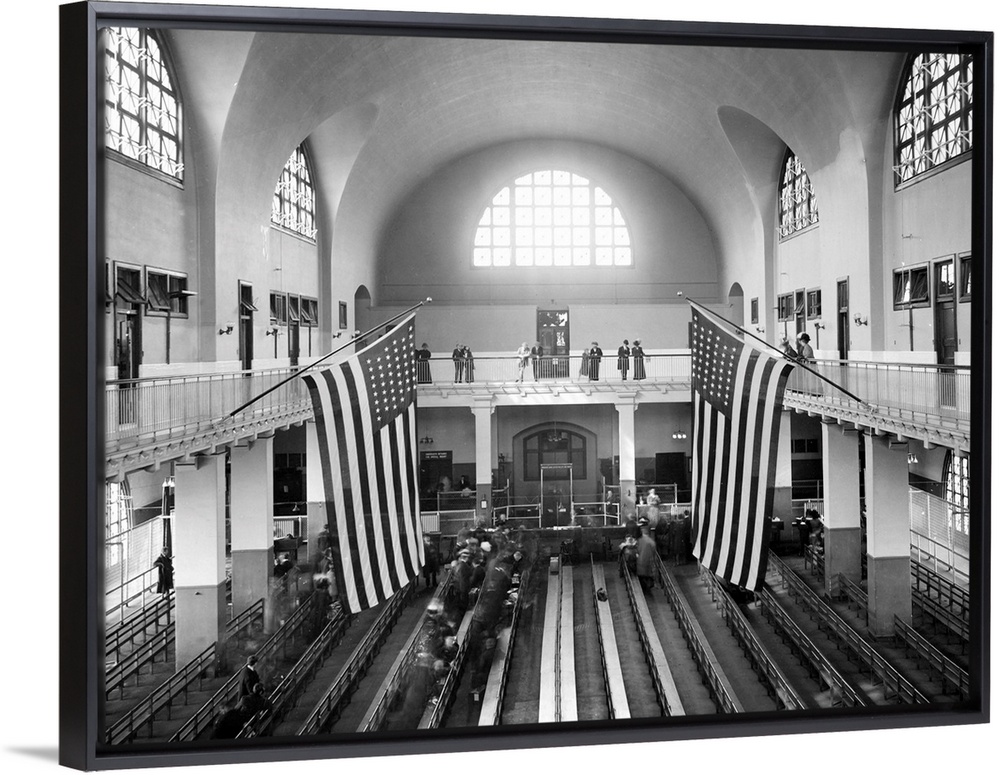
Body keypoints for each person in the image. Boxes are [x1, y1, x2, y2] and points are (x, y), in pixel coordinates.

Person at [636, 521, 658, 594]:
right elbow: (654, 554)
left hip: (640, 563)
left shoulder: (639, 540)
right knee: (647, 578)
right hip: (648, 564)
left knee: (642, 580)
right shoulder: (651, 542)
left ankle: (644, 591)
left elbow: (637, 550)